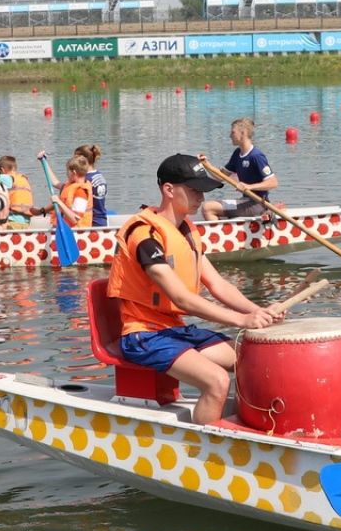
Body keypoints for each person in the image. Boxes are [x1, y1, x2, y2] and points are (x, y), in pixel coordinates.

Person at [108, 153, 282, 424]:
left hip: (173, 330)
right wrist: (242, 320)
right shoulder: (144, 234)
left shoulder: (186, 231)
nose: (201, 197)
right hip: (143, 336)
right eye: (194, 189)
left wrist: (260, 311)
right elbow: (181, 298)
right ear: (168, 189)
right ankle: (208, 455)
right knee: (216, 381)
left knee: (248, 361)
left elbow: (218, 284)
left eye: (204, 190)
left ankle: (248, 429)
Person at [204, 119, 277, 219]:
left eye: (233, 132)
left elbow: (273, 182)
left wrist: (249, 187)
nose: (230, 136)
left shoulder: (256, 156)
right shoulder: (237, 154)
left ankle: (218, 233)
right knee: (207, 206)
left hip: (258, 204)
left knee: (208, 208)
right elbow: (221, 177)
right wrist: (206, 164)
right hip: (245, 201)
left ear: (243, 133)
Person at [47, 152, 95, 230]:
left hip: (77, 233)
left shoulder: (81, 191)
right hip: (67, 229)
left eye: (67, 171)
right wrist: (44, 162)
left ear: (74, 172)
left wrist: (58, 202)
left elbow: (75, 219)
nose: (66, 174)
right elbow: (55, 182)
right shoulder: (71, 185)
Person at [75, 144, 110, 227]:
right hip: (102, 221)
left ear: (82, 160)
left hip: (91, 223)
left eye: (75, 159)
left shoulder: (85, 180)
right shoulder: (99, 175)